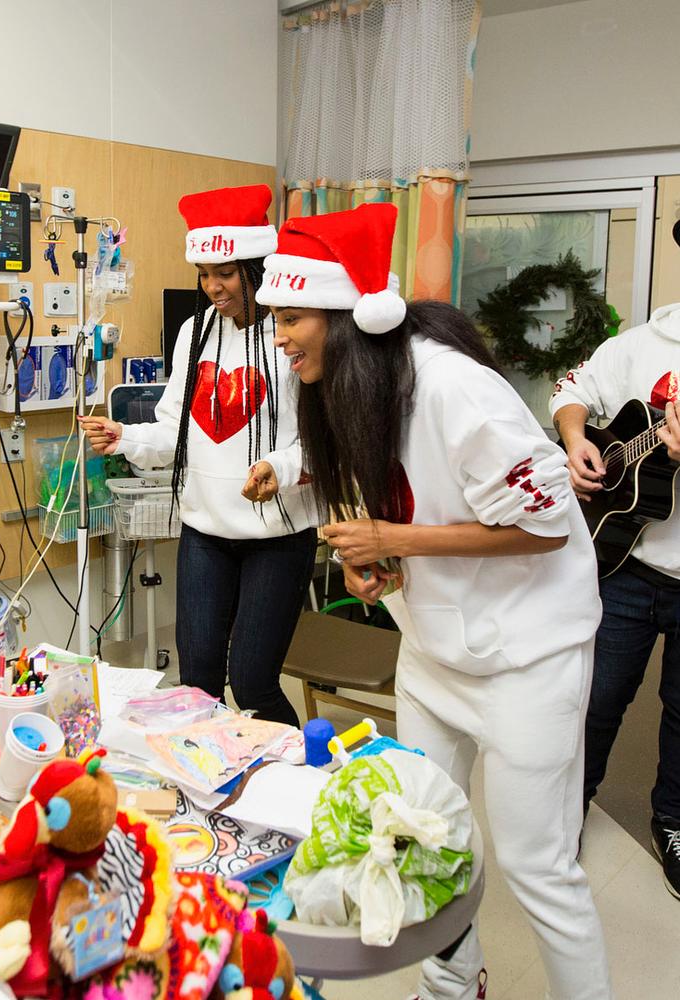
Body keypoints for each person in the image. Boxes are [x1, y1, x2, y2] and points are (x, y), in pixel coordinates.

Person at [254, 204, 612, 1000]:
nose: (277, 336)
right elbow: (405, 516)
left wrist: (395, 541)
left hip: (528, 660)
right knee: (423, 833)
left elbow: (549, 528)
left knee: (535, 865)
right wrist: (376, 570)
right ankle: (453, 987)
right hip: (433, 655)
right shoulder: (354, 390)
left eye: (290, 316)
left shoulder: (456, 389)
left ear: (349, 317)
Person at [80, 184, 318, 727]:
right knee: (198, 684)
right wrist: (125, 438)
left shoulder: (294, 332)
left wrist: (276, 469)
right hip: (205, 533)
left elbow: (323, 445)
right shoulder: (195, 332)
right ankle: (209, 794)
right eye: (205, 274)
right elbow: (174, 429)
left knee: (254, 684)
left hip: (276, 540)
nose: (214, 287)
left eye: (227, 274)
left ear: (255, 266)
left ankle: (291, 790)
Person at [549, 307, 680, 898]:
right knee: (597, 699)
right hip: (626, 563)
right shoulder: (643, 343)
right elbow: (570, 390)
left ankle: (672, 822)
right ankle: (569, 808)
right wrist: (577, 442)